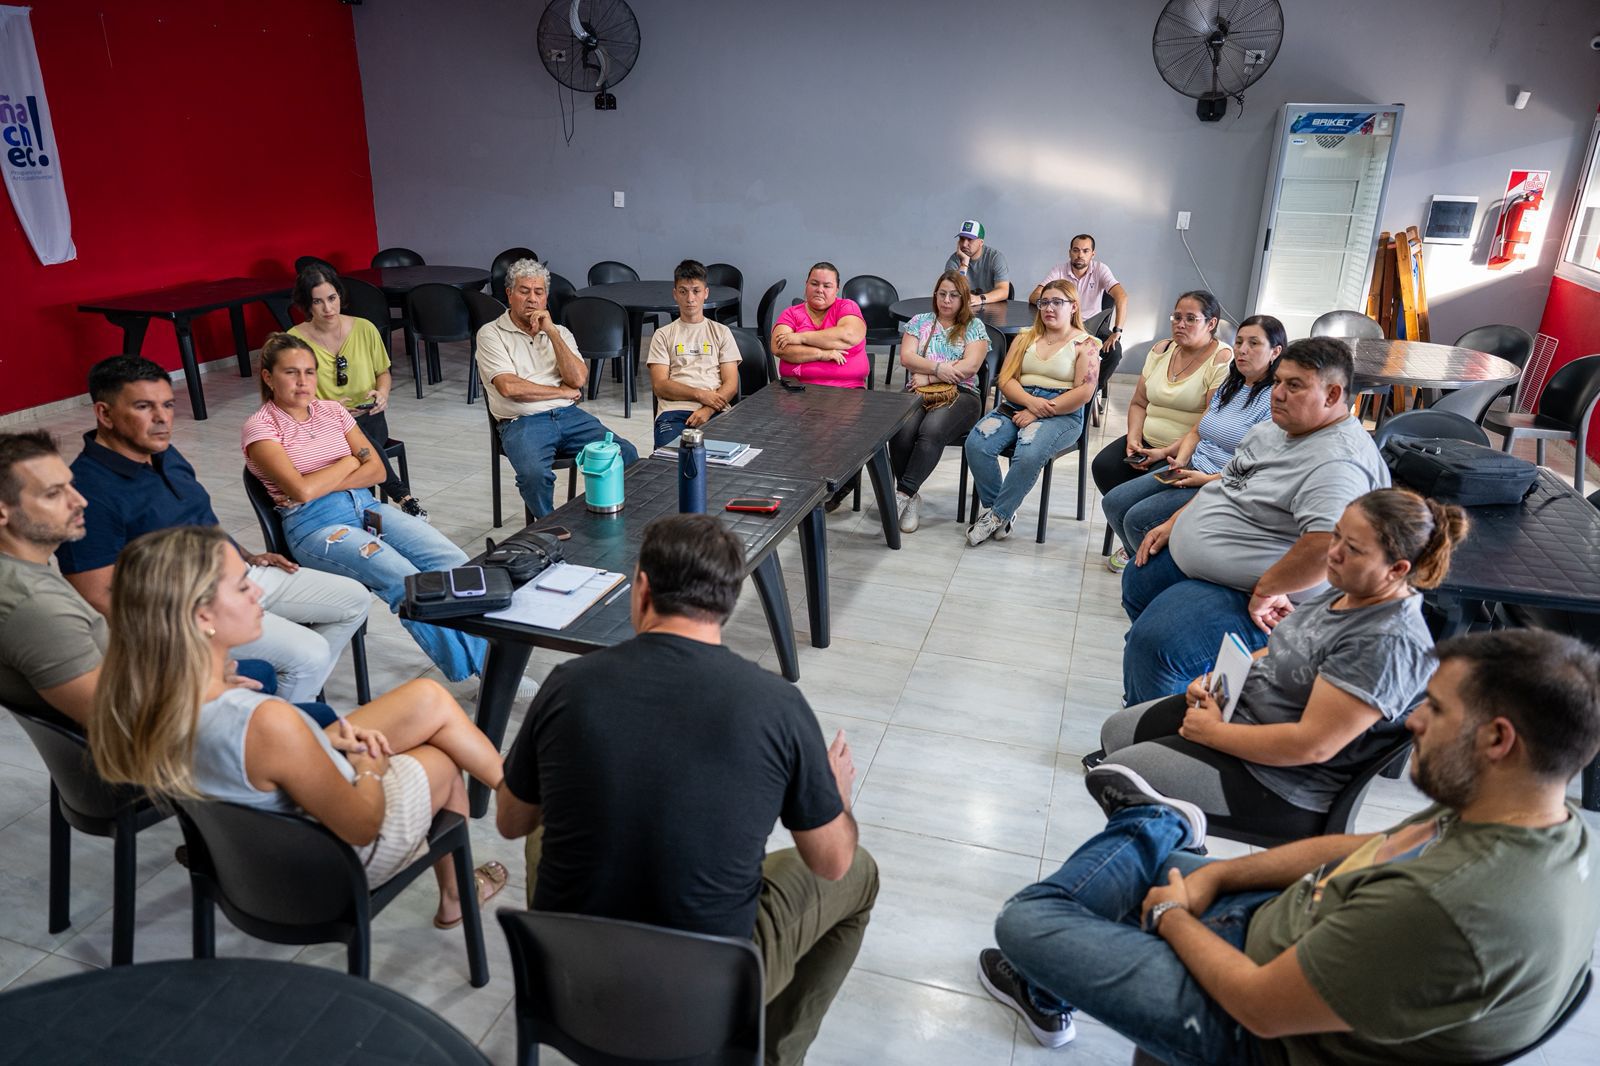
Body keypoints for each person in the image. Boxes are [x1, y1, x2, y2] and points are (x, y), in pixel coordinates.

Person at [977, 628, 1600, 1063]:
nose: (1412, 720)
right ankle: (1148, 835)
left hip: (1255, 1031)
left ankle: (1151, 825)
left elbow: (1261, 1009)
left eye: (1435, 709)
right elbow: (1360, 848)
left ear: (1498, 739)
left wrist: (1172, 915)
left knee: (1028, 920)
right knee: (1140, 874)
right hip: (1282, 929)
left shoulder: (1455, 908)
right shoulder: (1537, 812)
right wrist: (1217, 879)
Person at [495, 514, 879, 1066]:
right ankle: (772, 1055)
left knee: (546, 826)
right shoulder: (775, 705)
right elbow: (832, 862)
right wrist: (836, 798)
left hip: (571, 982)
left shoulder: (567, 685)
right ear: (727, 602)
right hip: (706, 999)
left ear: (642, 588)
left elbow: (510, 821)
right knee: (860, 871)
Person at [88, 525, 509, 927]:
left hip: (252, 842)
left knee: (426, 697)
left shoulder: (147, 696)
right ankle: (460, 892)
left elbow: (250, 762)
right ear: (201, 617)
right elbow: (361, 825)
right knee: (441, 759)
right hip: (322, 862)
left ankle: (514, 797)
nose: (258, 590)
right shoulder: (263, 721)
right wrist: (369, 767)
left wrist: (313, 738)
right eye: (242, 585)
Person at [1095, 489, 1464, 837]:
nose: (1333, 554)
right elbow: (1279, 648)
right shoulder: (1349, 590)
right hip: (1247, 715)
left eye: (1352, 549)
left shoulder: (1388, 641)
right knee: (1116, 733)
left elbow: (1311, 746)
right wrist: (1213, 681)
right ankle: (1164, 828)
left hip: (1281, 780)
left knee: (1117, 775)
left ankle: (1175, 853)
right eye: (1336, 537)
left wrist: (1213, 734)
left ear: (1397, 569)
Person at [57, 356, 371, 704]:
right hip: (188, 610)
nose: (162, 418)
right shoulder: (86, 492)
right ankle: (271, 734)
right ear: (104, 413)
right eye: (144, 407)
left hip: (239, 576)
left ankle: (274, 704)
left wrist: (246, 555)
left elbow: (200, 521)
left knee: (355, 598)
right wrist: (187, 643)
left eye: (167, 405)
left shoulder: (164, 453)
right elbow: (98, 593)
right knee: (309, 654)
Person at [1121, 337, 1390, 705]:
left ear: (1332, 395)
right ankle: (1172, 694)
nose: (1277, 393)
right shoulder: (1277, 428)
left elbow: (1327, 545)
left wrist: (1267, 590)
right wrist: (1176, 522)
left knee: (1157, 644)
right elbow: (1229, 484)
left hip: (1260, 596)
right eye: (1278, 381)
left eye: (1294, 386)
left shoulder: (1336, 463)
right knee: (1140, 583)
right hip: (1223, 566)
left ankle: (1152, 742)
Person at [242, 333, 486, 682]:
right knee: (407, 583)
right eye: (291, 372)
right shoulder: (260, 428)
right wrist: (346, 462)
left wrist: (325, 479)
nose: (303, 382)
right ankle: (486, 672)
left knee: (454, 563)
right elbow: (301, 490)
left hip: (366, 507)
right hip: (316, 529)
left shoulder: (331, 410)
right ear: (268, 377)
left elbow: (376, 469)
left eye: (310, 372)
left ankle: (488, 657)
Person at [1102, 315, 1284, 573]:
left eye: (1254, 343)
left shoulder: (1274, 401)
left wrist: (1204, 480)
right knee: (1113, 502)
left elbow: (1256, 471)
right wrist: (1174, 456)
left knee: (1136, 521)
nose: (1242, 350)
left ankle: (1152, 576)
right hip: (1191, 466)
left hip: (1218, 482)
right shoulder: (1232, 384)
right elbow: (1199, 430)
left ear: (1275, 351)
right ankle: (1143, 565)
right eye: (1240, 341)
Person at [475, 258, 639, 517]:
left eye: (538, 292)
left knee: (626, 453)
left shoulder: (560, 332)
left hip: (569, 417)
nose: (532, 299)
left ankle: (612, 516)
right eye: (524, 291)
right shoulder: (491, 333)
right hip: (522, 421)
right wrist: (560, 392)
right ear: (509, 294)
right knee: (534, 475)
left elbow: (577, 380)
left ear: (546, 297)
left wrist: (551, 332)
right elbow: (508, 387)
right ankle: (549, 527)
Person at [963, 278, 1100, 546]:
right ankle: (1001, 512)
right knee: (977, 443)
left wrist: (1037, 412)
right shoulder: (1026, 337)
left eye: (1057, 302)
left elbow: (1084, 393)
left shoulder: (1086, 344)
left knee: (1029, 452)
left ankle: (994, 517)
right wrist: (1029, 403)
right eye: (1044, 302)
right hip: (1019, 402)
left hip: (1063, 412)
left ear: (1073, 307)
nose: (1049, 308)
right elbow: (1006, 379)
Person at [287, 264, 427, 518]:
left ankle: (374, 509)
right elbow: (292, 396)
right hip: (320, 426)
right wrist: (329, 409)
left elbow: (382, 373)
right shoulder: (294, 341)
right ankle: (402, 496)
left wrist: (382, 394)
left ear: (340, 296)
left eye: (332, 298)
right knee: (352, 435)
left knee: (360, 435)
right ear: (307, 305)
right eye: (318, 302)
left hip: (369, 417)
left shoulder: (364, 328)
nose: (328, 308)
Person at [0, 431, 104, 729]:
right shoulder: (35, 606)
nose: (80, 501)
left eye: (70, 485)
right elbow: (120, 723)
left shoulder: (24, 572)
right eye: (53, 493)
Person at [1091, 290, 1232, 506]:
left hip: (1184, 453)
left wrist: (1162, 453)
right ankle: (1130, 533)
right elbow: (1139, 402)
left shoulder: (1221, 359)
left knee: (1139, 495)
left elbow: (1208, 423)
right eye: (1177, 317)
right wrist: (1133, 439)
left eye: (1191, 319)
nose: (1180, 324)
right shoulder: (1162, 349)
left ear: (1211, 323)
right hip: (1146, 442)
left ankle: (1138, 530)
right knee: (1104, 467)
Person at [889, 270, 989, 533]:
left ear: (964, 298)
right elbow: (907, 358)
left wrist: (929, 377)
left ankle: (901, 495)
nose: (946, 300)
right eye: (942, 294)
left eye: (954, 295)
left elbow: (970, 366)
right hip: (917, 390)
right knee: (899, 429)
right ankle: (911, 497)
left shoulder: (974, 326)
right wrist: (939, 368)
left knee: (930, 430)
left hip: (963, 394)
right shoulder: (919, 321)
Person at [646, 259, 740, 448]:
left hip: (715, 411)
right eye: (683, 291)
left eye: (696, 291)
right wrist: (700, 395)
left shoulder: (721, 332)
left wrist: (707, 409)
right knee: (671, 463)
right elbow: (660, 386)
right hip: (673, 412)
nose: (690, 298)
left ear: (705, 293)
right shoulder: (662, 335)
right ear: (675, 294)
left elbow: (731, 385)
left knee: (722, 464)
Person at [1030, 233, 1128, 374]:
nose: (1080, 255)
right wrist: (1056, 301)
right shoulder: (1059, 270)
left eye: (1085, 251)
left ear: (1092, 254)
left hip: (1093, 326)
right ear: (1070, 253)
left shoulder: (1101, 269)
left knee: (1114, 352)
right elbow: (1034, 296)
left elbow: (1122, 297)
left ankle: (1092, 390)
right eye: (1076, 250)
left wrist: (1117, 332)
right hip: (1065, 325)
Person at [771, 262, 869, 389]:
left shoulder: (846, 307)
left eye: (827, 286)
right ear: (806, 285)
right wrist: (822, 354)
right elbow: (779, 347)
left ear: (836, 290)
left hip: (847, 388)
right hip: (797, 389)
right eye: (814, 284)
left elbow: (848, 335)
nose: (819, 290)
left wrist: (801, 338)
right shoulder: (791, 313)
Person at [944, 220, 1010, 307]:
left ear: (981, 242)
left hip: (991, 309)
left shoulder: (995, 258)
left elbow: (1003, 291)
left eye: (970, 239)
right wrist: (964, 263)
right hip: (962, 310)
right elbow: (950, 291)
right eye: (962, 239)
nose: (964, 244)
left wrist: (979, 299)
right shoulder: (954, 260)